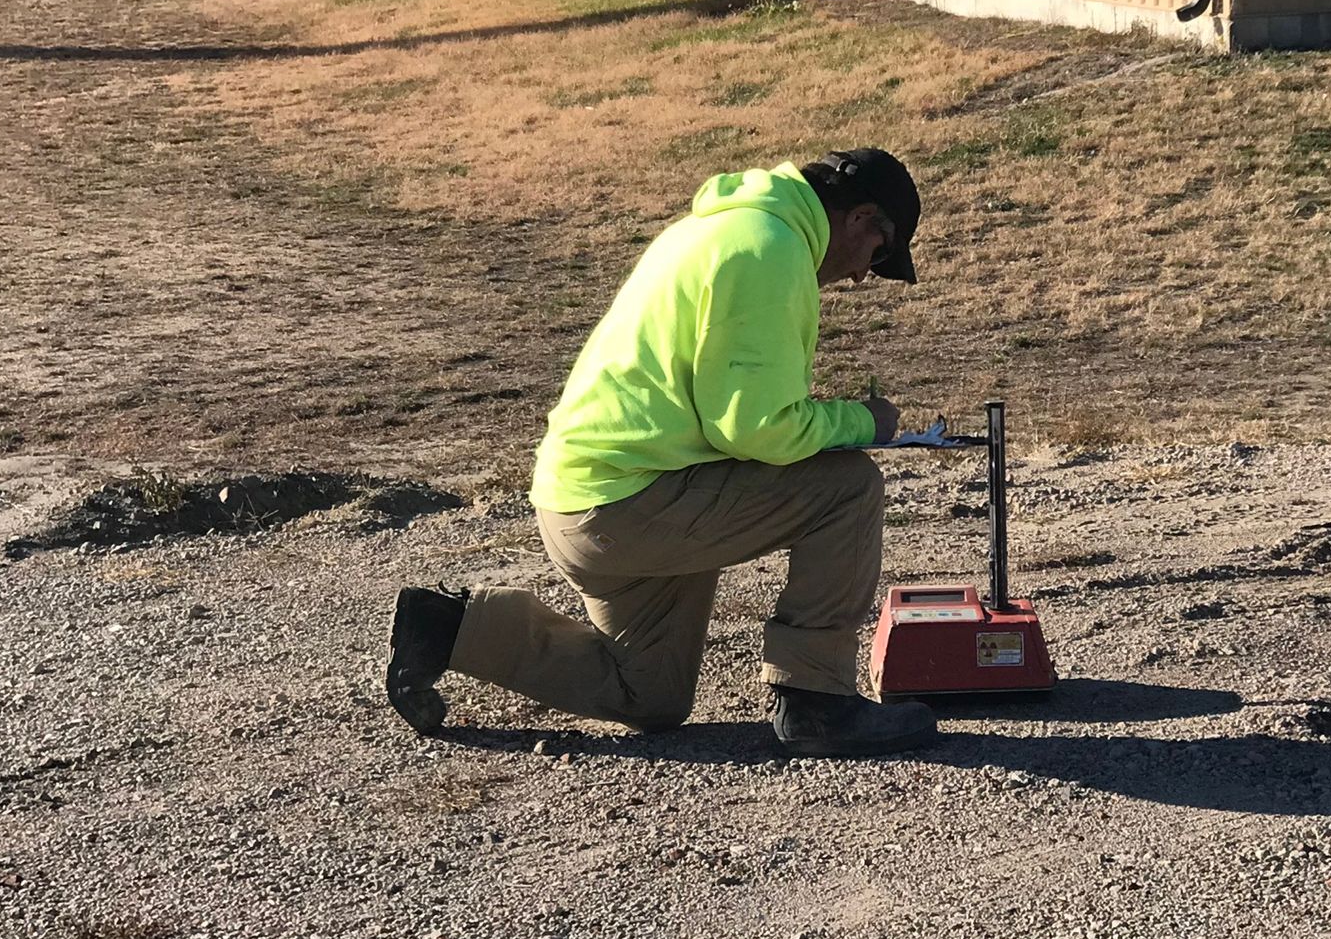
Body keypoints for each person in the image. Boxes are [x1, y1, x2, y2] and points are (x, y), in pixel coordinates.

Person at [383, 149, 938, 758]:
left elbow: (729, 416)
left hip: (589, 504)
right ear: (861, 219)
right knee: (847, 487)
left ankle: (448, 627)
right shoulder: (769, 249)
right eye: (879, 255)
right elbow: (754, 429)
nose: (863, 276)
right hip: (629, 506)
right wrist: (866, 422)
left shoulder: (719, 226)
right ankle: (816, 699)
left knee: (647, 697)